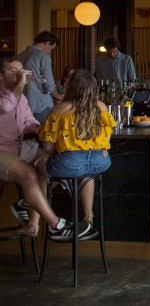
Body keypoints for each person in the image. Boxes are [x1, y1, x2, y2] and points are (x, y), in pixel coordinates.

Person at [0, 57, 89, 239]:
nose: (19, 74)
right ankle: (56, 225)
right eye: (12, 71)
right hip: (2, 150)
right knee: (29, 175)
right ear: (1, 76)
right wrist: (20, 84)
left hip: (20, 147)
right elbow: (6, 106)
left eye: (20, 70)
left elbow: (28, 120)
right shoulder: (11, 95)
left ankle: (30, 218)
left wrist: (35, 127)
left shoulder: (21, 97)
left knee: (51, 165)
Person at [40, 69, 114, 229]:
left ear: (72, 86)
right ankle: (88, 217)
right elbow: (107, 139)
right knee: (86, 174)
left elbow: (47, 148)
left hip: (69, 164)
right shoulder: (102, 107)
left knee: (39, 166)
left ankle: (32, 202)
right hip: (100, 162)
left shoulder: (60, 109)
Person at [16, 30, 63, 123]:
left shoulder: (20, 56)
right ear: (47, 43)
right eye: (51, 49)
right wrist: (59, 97)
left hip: (22, 104)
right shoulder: (43, 56)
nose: (49, 52)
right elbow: (49, 85)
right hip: (41, 105)